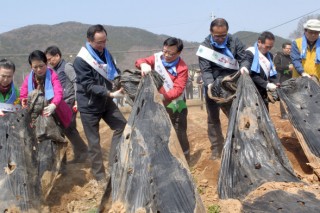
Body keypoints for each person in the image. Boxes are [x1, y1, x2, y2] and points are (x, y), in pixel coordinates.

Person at [73, 24, 127, 186]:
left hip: (106, 101)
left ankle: (112, 164)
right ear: (89, 40)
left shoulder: (106, 54)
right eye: (99, 42)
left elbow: (114, 71)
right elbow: (88, 85)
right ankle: (100, 177)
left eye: (104, 41)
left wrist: (121, 84)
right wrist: (110, 93)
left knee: (122, 126)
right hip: (89, 105)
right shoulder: (81, 60)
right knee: (94, 142)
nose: (102, 45)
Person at [197, 18, 247, 160]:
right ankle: (217, 148)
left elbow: (244, 58)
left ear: (227, 32)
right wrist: (210, 85)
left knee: (236, 115)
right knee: (213, 118)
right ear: (211, 32)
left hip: (231, 83)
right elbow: (205, 69)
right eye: (216, 36)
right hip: (212, 84)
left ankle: (239, 144)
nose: (220, 39)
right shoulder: (205, 47)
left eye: (223, 35)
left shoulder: (234, 41)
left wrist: (244, 67)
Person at [135, 37, 190, 162]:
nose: (167, 55)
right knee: (158, 128)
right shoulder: (157, 59)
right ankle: (162, 157)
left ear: (179, 53)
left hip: (177, 102)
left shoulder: (182, 68)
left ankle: (184, 157)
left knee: (178, 129)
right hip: (157, 102)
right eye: (165, 51)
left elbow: (178, 89)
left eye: (171, 53)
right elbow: (139, 61)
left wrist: (164, 97)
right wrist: (143, 64)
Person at [45, 45, 88, 163]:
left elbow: (76, 82)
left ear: (57, 55)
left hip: (70, 101)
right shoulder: (53, 71)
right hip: (60, 104)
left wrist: (77, 100)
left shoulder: (67, 67)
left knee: (69, 127)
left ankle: (83, 151)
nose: (49, 62)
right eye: (47, 60)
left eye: (50, 59)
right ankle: (80, 154)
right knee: (69, 128)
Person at [241, 31, 278, 110]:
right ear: (259, 42)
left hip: (263, 91)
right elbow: (251, 75)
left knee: (265, 115)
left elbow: (271, 73)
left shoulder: (270, 55)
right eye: (267, 47)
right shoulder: (249, 53)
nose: (268, 49)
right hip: (251, 91)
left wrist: (276, 83)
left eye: (270, 47)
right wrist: (266, 84)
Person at [274, 42, 293, 119]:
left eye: (290, 49)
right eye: (287, 48)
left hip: (290, 79)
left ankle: (291, 113)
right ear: (283, 49)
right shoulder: (278, 56)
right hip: (281, 79)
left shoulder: (291, 57)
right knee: (283, 97)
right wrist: (287, 67)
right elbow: (277, 67)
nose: (289, 50)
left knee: (291, 97)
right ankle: (284, 114)